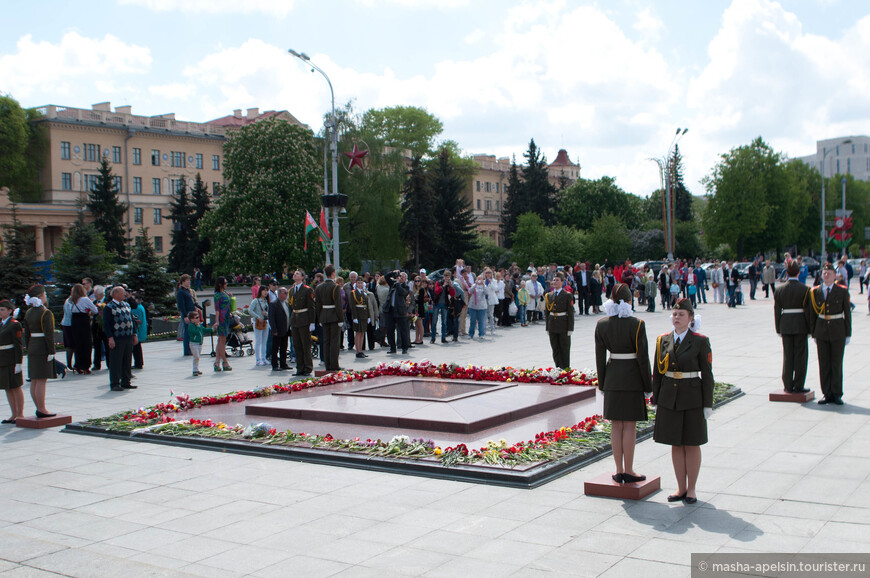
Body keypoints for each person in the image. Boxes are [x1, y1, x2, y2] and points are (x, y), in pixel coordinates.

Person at [651, 298, 714, 504]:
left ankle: (692, 489)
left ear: (691, 318)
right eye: (675, 314)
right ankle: (680, 488)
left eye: (681, 315)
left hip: (692, 397)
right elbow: (658, 372)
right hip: (670, 397)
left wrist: (707, 404)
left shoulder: (700, 341)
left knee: (692, 443)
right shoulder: (663, 340)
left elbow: (707, 375)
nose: (677, 318)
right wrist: (657, 397)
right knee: (676, 444)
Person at [594, 283, 652, 484]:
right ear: (629, 301)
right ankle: (629, 469)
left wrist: (603, 384)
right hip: (632, 378)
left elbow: (600, 359)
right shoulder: (637, 324)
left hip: (612, 379)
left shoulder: (602, 324)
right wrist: (648, 386)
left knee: (616, 426)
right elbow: (643, 359)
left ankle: (618, 469)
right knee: (630, 426)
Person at [809, 262, 851, 405]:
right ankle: (826, 393)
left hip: (838, 330)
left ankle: (837, 393)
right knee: (824, 363)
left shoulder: (842, 291)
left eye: (829, 273)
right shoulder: (816, 291)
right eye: (824, 273)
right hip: (821, 331)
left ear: (834, 276)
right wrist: (813, 332)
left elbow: (847, 313)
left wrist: (848, 333)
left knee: (836, 363)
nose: (826, 275)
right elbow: (812, 314)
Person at [774, 261, 812, 394]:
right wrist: (810, 328)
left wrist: (778, 328)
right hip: (801, 325)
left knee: (787, 356)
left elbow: (777, 310)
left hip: (785, 324)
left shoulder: (779, 289)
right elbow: (808, 311)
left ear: (787, 272)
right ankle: (799, 384)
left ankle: (788, 384)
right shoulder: (806, 289)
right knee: (800, 356)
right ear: (799, 272)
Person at [102, 285, 138, 392]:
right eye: (122, 292)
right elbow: (107, 324)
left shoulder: (126, 304)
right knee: (116, 360)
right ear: (115, 294)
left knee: (127, 359)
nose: (125, 294)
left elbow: (131, 320)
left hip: (128, 336)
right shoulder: (109, 307)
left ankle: (126, 381)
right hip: (117, 337)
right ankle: (115, 383)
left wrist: (134, 334)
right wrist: (110, 338)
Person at [0, 300, 25, 424]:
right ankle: (13, 414)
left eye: (2, 309)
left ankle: (20, 414)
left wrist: (18, 363)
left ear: (10, 311)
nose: (0, 312)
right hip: (2, 360)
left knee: (15, 387)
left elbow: (18, 345)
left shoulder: (14, 324)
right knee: (7, 388)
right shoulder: (2, 324)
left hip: (11, 359)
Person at [315, 265, 343, 371]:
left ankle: (327, 364)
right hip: (334, 316)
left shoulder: (319, 287)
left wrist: (320, 318)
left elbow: (318, 305)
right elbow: (338, 305)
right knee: (334, 341)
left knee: (326, 341)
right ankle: (334, 365)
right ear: (333, 274)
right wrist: (341, 319)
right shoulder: (335, 287)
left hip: (324, 316)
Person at [544, 273, 574, 369]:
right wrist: (547, 327)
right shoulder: (549, 295)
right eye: (554, 280)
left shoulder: (567, 295)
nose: (555, 282)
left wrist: (570, 328)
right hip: (553, 324)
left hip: (563, 325)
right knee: (555, 348)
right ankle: (557, 367)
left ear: (562, 282)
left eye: (557, 280)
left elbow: (570, 313)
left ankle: (565, 368)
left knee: (564, 348)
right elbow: (547, 313)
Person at [384, 272, 411, 354]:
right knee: (390, 330)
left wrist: (398, 283)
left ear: (405, 279)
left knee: (403, 330)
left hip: (400, 310)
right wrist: (393, 272)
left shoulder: (405, 287)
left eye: (403, 277)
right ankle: (392, 348)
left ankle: (404, 347)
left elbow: (402, 292)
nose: (400, 278)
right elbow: (386, 276)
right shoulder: (393, 284)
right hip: (390, 310)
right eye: (399, 276)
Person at [268, 287, 292, 371]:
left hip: (285, 329)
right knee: (275, 348)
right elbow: (271, 318)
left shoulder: (286, 303)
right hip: (277, 330)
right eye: (285, 293)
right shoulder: (273, 304)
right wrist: (274, 330)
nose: (286, 295)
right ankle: (275, 365)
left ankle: (283, 364)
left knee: (284, 347)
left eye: (287, 293)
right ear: (279, 294)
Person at [212, 277, 232, 372]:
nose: (226, 284)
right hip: (221, 319)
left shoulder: (224, 293)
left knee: (220, 340)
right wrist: (217, 321)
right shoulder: (217, 295)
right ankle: (224, 361)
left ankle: (217, 362)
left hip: (227, 317)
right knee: (222, 340)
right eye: (225, 282)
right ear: (220, 284)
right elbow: (217, 309)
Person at [431, 270, 455, 344]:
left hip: (445, 304)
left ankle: (443, 338)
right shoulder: (439, 282)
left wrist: (451, 287)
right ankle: (433, 338)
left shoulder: (450, 283)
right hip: (437, 303)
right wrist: (443, 285)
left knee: (444, 322)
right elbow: (436, 291)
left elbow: (453, 294)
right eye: (445, 276)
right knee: (434, 321)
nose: (446, 278)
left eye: (448, 277)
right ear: (443, 276)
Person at [185, 311, 212, 376]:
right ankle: (194, 370)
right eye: (196, 317)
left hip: (199, 343)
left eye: (198, 317)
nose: (198, 319)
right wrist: (198, 326)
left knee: (198, 357)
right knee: (196, 356)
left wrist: (212, 329)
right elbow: (195, 332)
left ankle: (196, 369)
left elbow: (204, 330)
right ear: (192, 319)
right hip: (193, 344)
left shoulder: (199, 325)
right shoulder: (191, 326)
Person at [249, 285, 270, 366]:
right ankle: (258, 359)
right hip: (257, 322)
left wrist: (266, 314)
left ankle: (264, 358)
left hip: (265, 322)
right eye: (263, 290)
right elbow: (250, 310)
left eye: (266, 290)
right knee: (258, 341)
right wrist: (257, 317)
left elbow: (268, 311)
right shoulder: (256, 301)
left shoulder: (266, 301)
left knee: (264, 341)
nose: (265, 292)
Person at [176, 274, 197, 357]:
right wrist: (185, 316)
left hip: (191, 311)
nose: (189, 282)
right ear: (183, 282)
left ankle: (190, 348)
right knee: (187, 332)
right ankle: (187, 350)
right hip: (187, 313)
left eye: (189, 280)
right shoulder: (181, 292)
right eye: (187, 281)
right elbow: (181, 305)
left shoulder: (187, 290)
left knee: (191, 331)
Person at [350, 278, 370, 358]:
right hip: (358, 314)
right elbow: (353, 306)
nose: (360, 284)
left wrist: (368, 316)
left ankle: (361, 350)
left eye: (361, 283)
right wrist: (354, 317)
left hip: (364, 314)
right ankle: (357, 351)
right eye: (358, 283)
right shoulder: (354, 293)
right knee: (358, 333)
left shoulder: (364, 292)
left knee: (362, 333)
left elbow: (367, 304)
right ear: (356, 284)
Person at [90, 285, 107, 371]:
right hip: (96, 327)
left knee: (107, 346)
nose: (94, 295)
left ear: (100, 294)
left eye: (95, 293)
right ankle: (96, 364)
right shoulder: (94, 302)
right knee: (97, 346)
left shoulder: (107, 301)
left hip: (105, 327)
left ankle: (110, 363)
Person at [131, 294, 147, 370]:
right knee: (137, 347)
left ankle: (138, 363)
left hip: (138, 330)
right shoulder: (140, 306)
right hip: (140, 330)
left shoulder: (137, 308)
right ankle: (139, 362)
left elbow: (137, 319)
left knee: (136, 348)